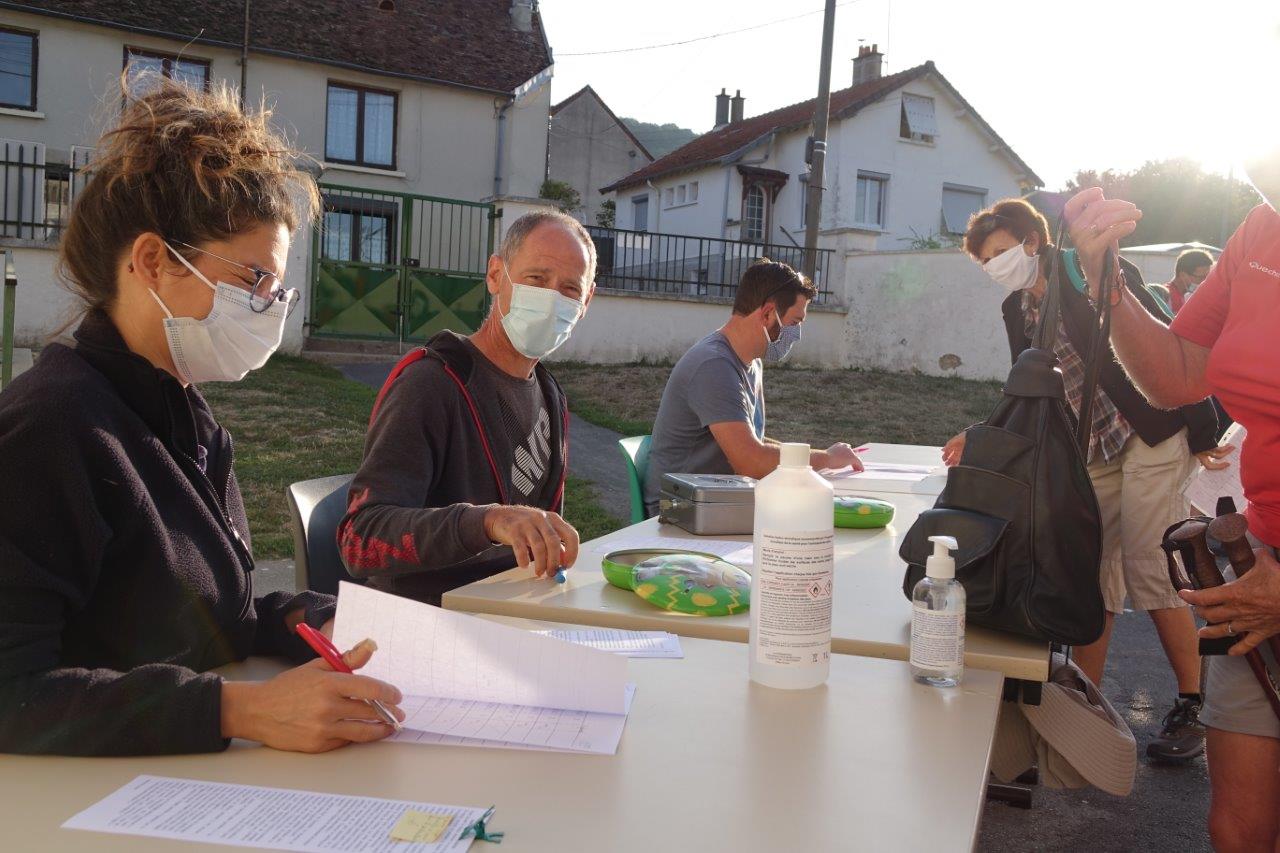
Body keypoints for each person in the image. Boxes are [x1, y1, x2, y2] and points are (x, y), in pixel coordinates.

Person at [0, 80, 404, 756]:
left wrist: (311, 620)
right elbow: (13, 690)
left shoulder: (184, 417)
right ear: (154, 261)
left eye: (277, 286)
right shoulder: (51, 428)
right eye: (253, 280)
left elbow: (213, 618)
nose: (271, 306)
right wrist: (237, 711)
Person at [950, 198, 1230, 764]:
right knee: (1088, 568)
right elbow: (1026, 386)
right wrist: (980, 433)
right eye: (985, 261)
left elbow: (1162, 338)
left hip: (1151, 433)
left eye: (1001, 252)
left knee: (1150, 567)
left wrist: (1204, 430)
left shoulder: (1087, 269)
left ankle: (1196, 704)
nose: (995, 266)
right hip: (1094, 445)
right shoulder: (1016, 309)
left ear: (1033, 240)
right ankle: (1086, 701)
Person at [1060, 146, 1280, 850]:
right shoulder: (1260, 229)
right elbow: (1179, 374)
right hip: (1259, 576)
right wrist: (1105, 279)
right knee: (1238, 830)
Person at [338, 211, 595, 604]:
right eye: (536, 280)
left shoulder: (550, 394)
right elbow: (361, 541)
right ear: (496, 275)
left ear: (586, 302)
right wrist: (487, 521)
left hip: (511, 609)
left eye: (570, 290)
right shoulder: (431, 384)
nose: (551, 300)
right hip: (429, 619)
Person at [643, 258, 862, 515]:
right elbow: (751, 461)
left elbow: (752, 442)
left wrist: (813, 457)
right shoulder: (713, 365)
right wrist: (826, 459)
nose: (797, 335)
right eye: (795, 323)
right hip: (677, 511)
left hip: (715, 501)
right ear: (768, 313)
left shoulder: (750, 362)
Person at [1149, 247, 1214, 315]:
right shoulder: (1164, 297)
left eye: (1207, 277)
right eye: (1201, 277)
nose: (1204, 282)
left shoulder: (1185, 297)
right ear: (1183, 275)